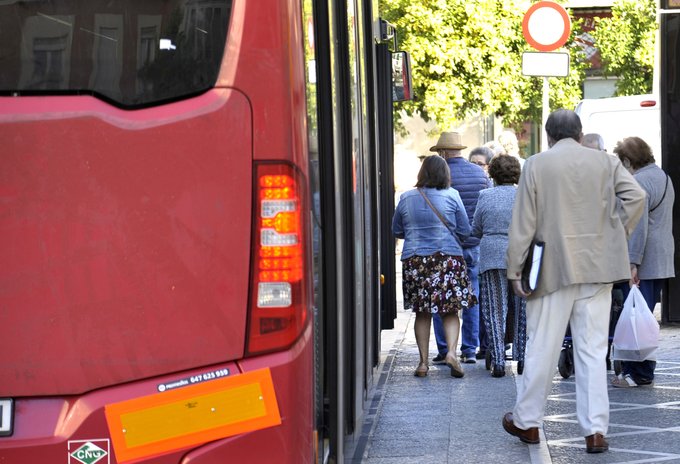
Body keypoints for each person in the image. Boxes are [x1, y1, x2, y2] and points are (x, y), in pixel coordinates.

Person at [501, 109, 645, 454]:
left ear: (550, 136)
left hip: (552, 267)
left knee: (542, 347)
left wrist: (514, 269)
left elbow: (524, 221)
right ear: (580, 134)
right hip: (598, 267)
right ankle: (595, 431)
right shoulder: (607, 162)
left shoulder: (536, 164)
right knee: (593, 352)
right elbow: (636, 197)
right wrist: (616, 233)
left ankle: (529, 422)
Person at [392, 154, 477, 378]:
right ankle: (451, 353)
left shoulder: (406, 197)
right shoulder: (452, 195)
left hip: (415, 260)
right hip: (448, 259)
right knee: (450, 311)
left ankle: (422, 363)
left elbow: (396, 230)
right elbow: (465, 230)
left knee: (422, 312)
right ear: (445, 174)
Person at [611, 136, 675, 388]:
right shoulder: (663, 177)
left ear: (628, 160)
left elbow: (637, 227)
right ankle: (641, 370)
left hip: (644, 260)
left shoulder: (638, 181)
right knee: (644, 317)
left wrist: (632, 262)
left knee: (636, 318)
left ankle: (637, 373)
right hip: (660, 258)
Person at [429, 132, 487, 364]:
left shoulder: (436, 175)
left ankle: (445, 349)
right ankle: (469, 349)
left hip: (444, 246)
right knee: (472, 297)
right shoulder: (480, 174)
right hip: (473, 244)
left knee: (439, 296)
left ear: (442, 152)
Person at [471, 155, 526, 378]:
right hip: (521, 255)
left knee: (495, 310)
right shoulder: (524, 195)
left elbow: (476, 229)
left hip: (492, 255)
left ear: (492, 173)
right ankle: (522, 357)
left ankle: (499, 361)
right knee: (523, 309)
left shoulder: (485, 196)